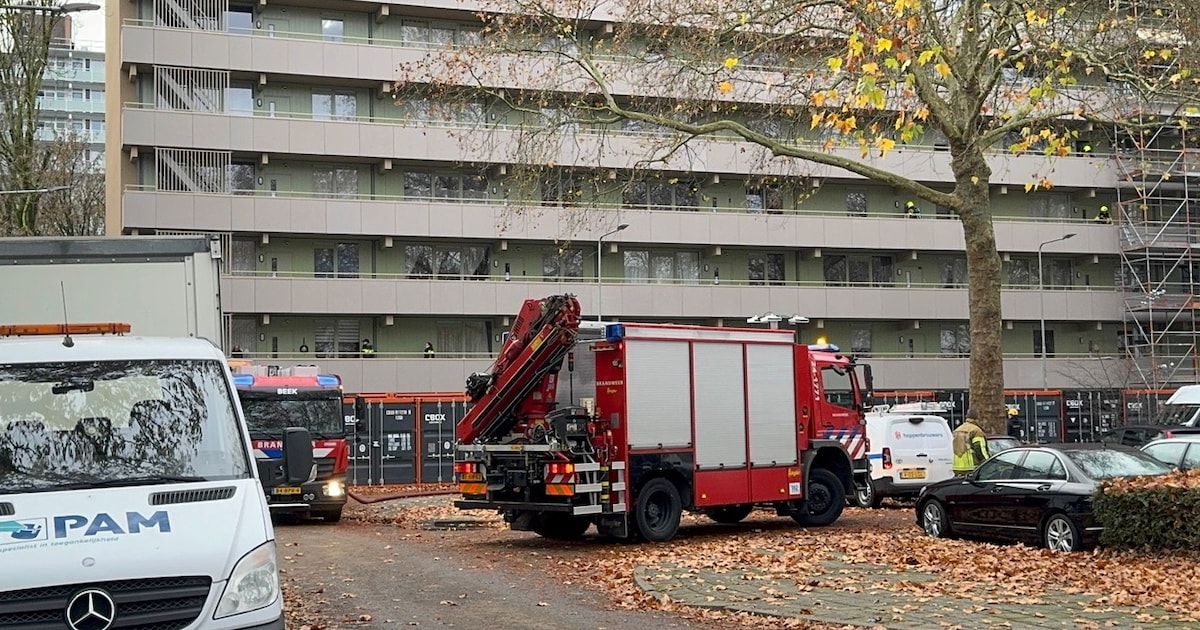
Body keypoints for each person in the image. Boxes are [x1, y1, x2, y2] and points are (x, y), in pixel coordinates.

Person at [952, 408, 991, 475]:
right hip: (971, 467)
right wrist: (987, 462)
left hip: (957, 467)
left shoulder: (957, 430)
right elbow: (979, 448)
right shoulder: (976, 431)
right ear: (977, 418)